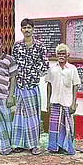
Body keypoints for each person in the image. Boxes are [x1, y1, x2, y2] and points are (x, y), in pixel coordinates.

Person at [11, 18, 49, 155]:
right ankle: (19, 143)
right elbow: (13, 66)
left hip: (32, 85)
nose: (26, 30)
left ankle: (34, 145)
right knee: (20, 115)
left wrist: (35, 73)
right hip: (20, 85)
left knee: (33, 116)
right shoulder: (17, 46)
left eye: (29, 27)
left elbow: (45, 64)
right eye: (24, 28)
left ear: (33, 29)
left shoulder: (40, 46)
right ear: (21, 30)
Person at [46, 44, 80, 155]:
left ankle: (66, 147)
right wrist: (47, 102)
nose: (61, 55)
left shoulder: (72, 69)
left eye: (63, 53)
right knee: (55, 127)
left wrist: (74, 103)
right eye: (59, 53)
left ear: (67, 55)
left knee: (68, 127)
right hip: (55, 101)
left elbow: (76, 85)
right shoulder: (52, 69)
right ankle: (55, 148)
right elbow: (49, 85)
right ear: (56, 55)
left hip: (67, 102)